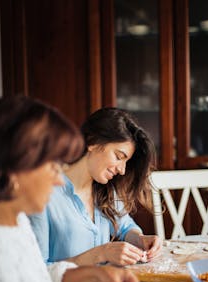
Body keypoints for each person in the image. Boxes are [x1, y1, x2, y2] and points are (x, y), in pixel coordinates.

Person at [0, 96, 145, 282]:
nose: (59, 180)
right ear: (15, 169)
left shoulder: (14, 223)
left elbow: (39, 281)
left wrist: (100, 275)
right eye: (52, 166)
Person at [29, 107, 162, 266]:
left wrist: (140, 240)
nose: (122, 170)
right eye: (119, 157)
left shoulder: (105, 190)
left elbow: (126, 227)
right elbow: (38, 272)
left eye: (126, 162)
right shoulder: (43, 196)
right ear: (93, 142)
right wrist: (101, 253)